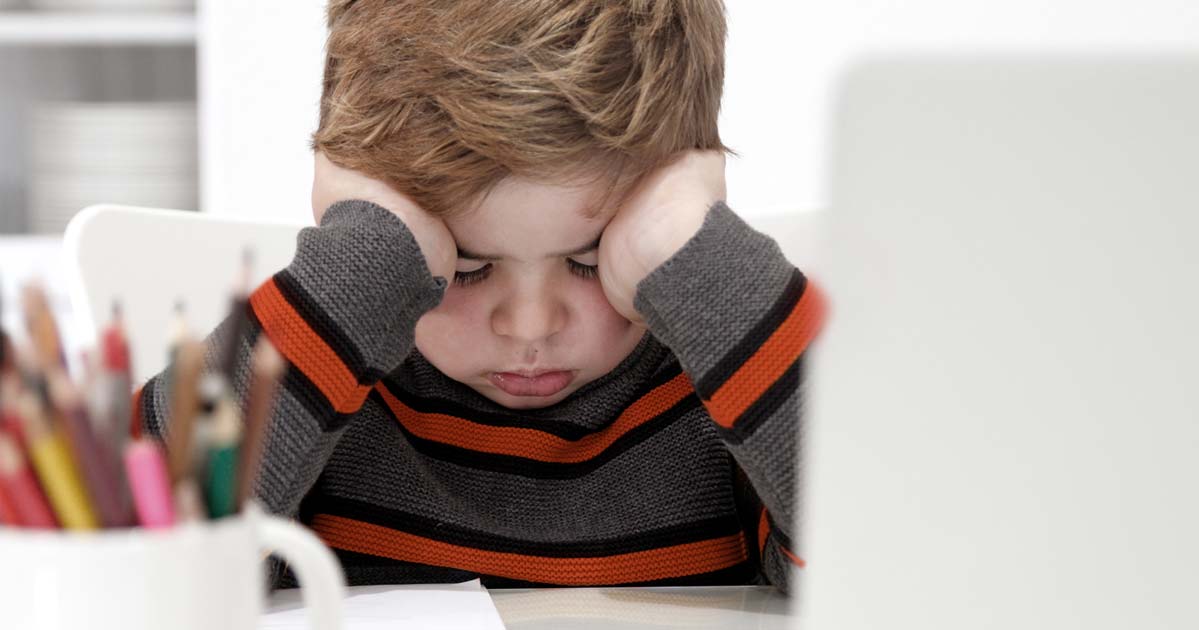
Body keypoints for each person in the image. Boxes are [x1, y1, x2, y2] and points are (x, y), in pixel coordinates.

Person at [138, 0, 821, 591]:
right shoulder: (325, 374)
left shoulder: (732, 378)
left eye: (589, 261)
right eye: (466, 267)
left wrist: (694, 255)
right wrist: (364, 265)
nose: (530, 326)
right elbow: (138, 558)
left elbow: (890, 553)